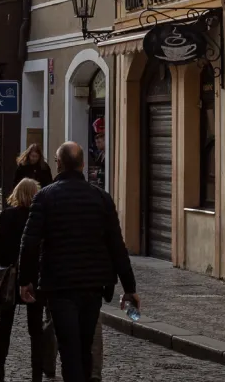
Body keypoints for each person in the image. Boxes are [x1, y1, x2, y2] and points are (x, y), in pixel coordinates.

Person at [17, 142, 137, 382]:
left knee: (69, 348)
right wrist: (130, 288)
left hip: (59, 285)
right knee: (84, 346)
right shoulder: (101, 198)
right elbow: (117, 246)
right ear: (82, 165)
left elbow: (29, 243)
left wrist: (25, 281)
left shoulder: (45, 197)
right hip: (93, 285)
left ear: (59, 164)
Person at [0, 177, 48, 382]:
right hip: (35, 277)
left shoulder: (7, 216)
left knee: (5, 323)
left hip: (10, 276)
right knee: (35, 328)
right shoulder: (41, 218)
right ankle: (36, 374)